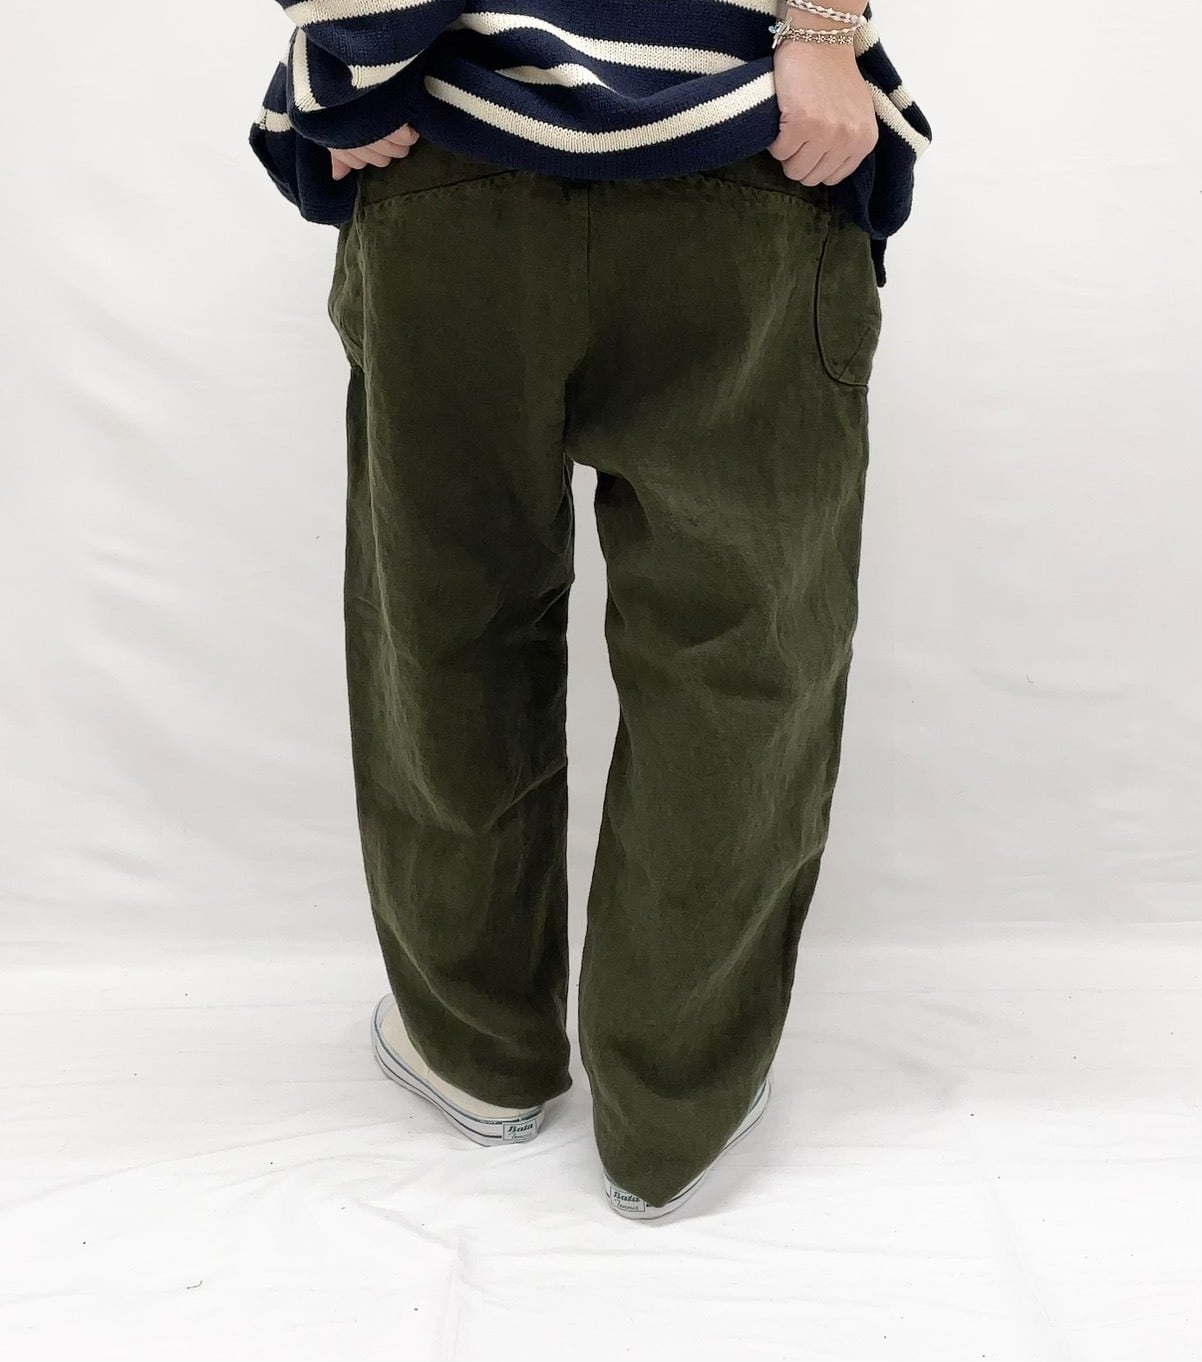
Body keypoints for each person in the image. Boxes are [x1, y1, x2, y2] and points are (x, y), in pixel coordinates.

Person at [250, 0, 931, 1220]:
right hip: (747, 146)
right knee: (739, 657)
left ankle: (474, 1051)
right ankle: (674, 1106)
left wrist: (350, 59)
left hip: (456, 153)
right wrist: (822, 29)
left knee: (447, 632)